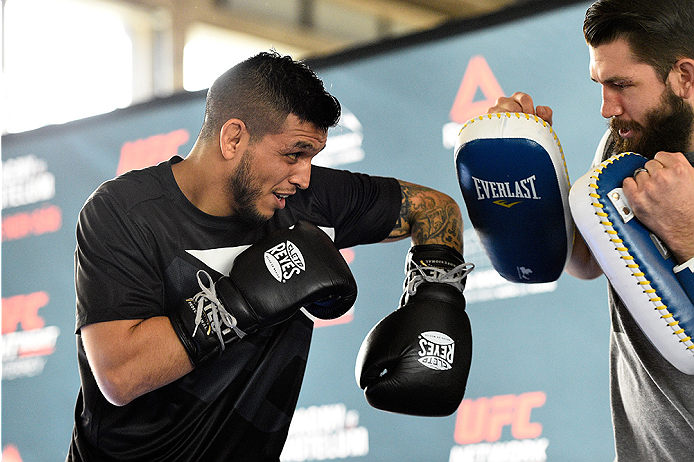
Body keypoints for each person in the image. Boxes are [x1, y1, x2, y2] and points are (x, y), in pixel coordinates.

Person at [67, 51, 468, 461]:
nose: (304, 175)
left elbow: (434, 208)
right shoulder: (124, 212)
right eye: (293, 154)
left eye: (312, 156)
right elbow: (120, 375)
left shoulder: (306, 201)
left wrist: (436, 297)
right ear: (233, 138)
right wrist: (243, 298)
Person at [487, 0, 694, 459]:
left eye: (621, 85)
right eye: (601, 84)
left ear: (685, 76)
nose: (606, 108)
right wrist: (535, 178)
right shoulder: (624, 143)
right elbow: (587, 260)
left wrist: (685, 234)